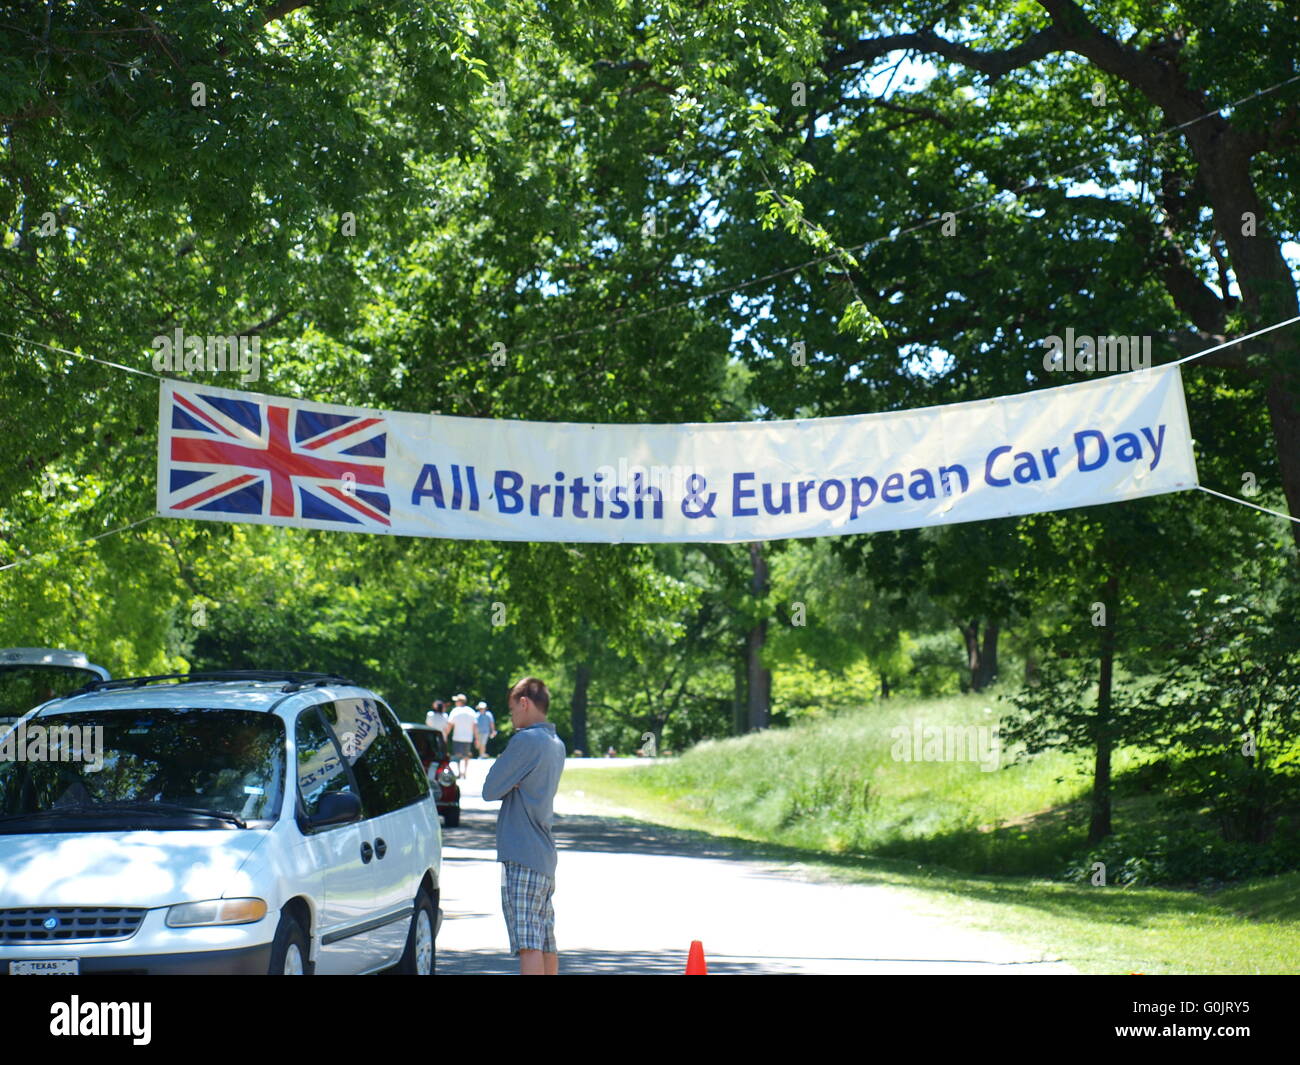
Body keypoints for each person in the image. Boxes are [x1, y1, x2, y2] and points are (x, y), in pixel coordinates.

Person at [482, 677, 566, 976]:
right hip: (544, 855)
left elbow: (490, 788)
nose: (512, 717)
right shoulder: (556, 744)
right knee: (545, 940)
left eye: (512, 709)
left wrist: (509, 777)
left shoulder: (526, 741)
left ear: (524, 702)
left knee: (527, 943)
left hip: (521, 853)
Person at [447, 694, 478, 779]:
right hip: (468, 738)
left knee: (458, 755)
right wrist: (476, 738)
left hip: (457, 737)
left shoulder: (455, 711)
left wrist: (446, 734)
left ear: (460, 702)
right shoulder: (471, 711)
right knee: (466, 755)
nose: (455, 703)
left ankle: (460, 772)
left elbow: (450, 724)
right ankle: (465, 772)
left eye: (456, 701)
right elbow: (475, 726)